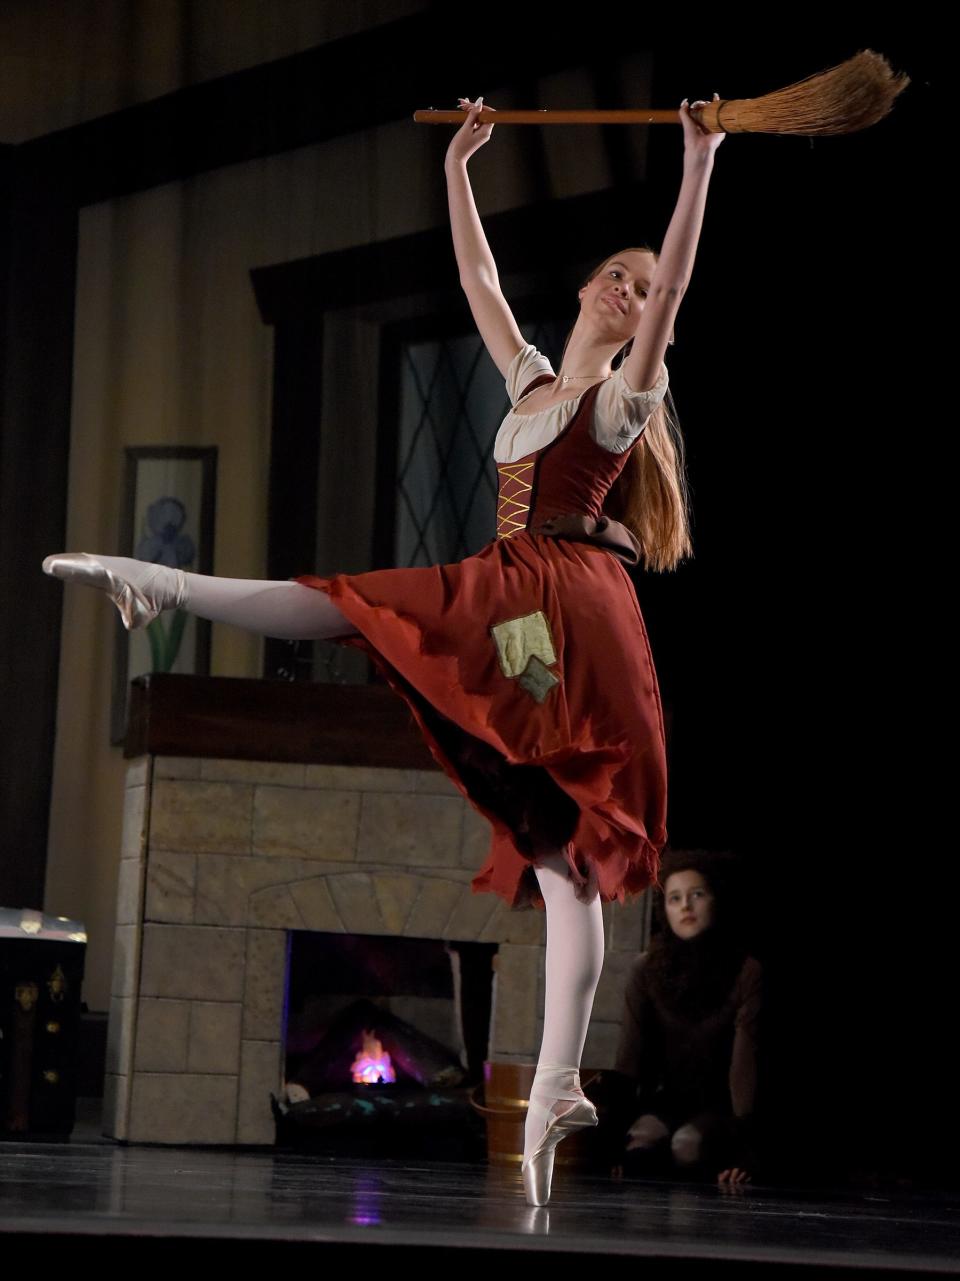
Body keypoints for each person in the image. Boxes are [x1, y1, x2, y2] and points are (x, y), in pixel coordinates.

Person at [42, 93, 724, 1205]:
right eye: (619, 272)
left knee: (384, 623)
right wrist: (460, 164)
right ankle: (556, 1086)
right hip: (519, 606)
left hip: (568, 604)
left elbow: (681, 288)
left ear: (656, 321)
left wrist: (697, 163)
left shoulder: (619, 401)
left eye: (646, 289)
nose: (629, 288)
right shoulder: (536, 381)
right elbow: (480, 287)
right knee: (549, 842)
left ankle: (159, 583)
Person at [599, 849, 762, 1187]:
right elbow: (629, 1056)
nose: (685, 906)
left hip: (721, 1104)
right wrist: (612, 1143)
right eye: (675, 898)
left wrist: (745, 1151)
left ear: (716, 900)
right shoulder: (647, 969)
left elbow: (745, 1068)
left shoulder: (745, 970)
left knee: (687, 1144)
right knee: (640, 1142)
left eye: (696, 895)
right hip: (668, 1098)